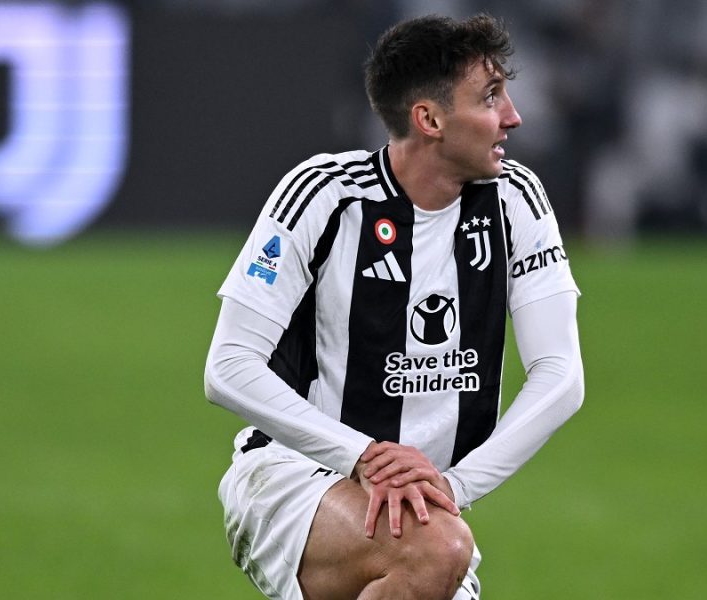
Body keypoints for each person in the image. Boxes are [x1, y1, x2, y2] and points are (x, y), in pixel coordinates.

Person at [204, 13, 584, 600]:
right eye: (490, 97)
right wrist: (363, 456)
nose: (513, 116)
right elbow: (228, 367)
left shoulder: (515, 200)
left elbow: (560, 374)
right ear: (429, 119)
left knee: (436, 551)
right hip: (293, 475)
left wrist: (454, 487)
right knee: (438, 552)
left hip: (424, 507)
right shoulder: (325, 196)